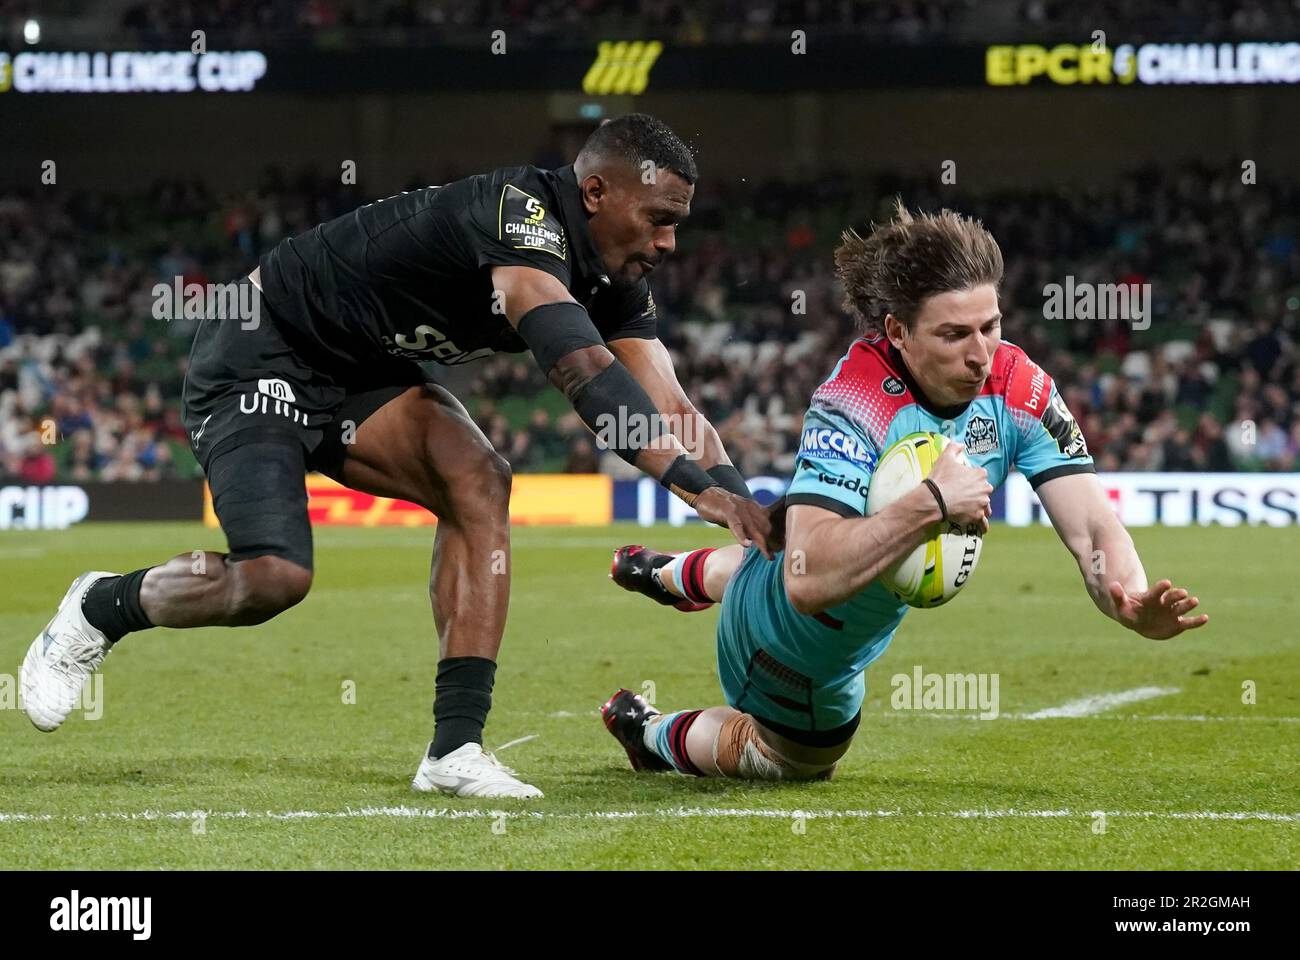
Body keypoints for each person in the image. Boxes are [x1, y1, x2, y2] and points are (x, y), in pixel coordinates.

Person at [21, 114, 774, 799]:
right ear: (597, 191)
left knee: (479, 479)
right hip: (262, 347)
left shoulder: (615, 281)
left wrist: (744, 508)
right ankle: (100, 606)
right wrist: (689, 485)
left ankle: (454, 751)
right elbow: (580, 372)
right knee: (273, 578)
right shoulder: (523, 220)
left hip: (360, 378)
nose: (670, 243)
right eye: (660, 219)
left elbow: (674, 408)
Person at [602, 202, 1208, 781]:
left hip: (777, 556)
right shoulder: (853, 401)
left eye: (991, 326)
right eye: (953, 335)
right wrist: (932, 503)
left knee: (794, 537)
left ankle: (672, 575)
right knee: (798, 765)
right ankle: (648, 731)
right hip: (791, 644)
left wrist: (1123, 595)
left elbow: (1093, 524)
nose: (980, 355)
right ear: (898, 331)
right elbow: (808, 583)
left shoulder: (1019, 383)